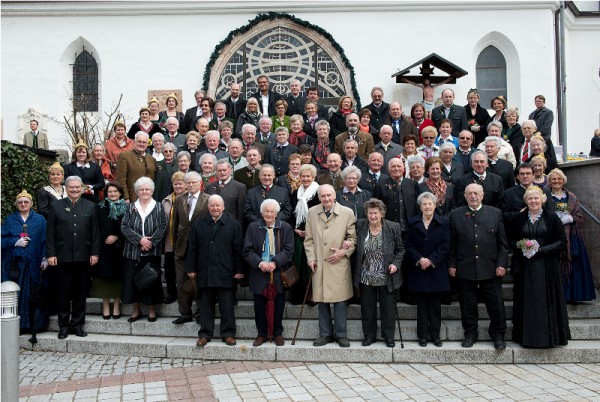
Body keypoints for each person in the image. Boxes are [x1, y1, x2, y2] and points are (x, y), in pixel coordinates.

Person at [508, 185, 569, 348]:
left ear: (542, 199)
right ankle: (526, 337)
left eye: (536, 198)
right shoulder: (519, 218)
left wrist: (541, 250)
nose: (533, 201)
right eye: (530, 198)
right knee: (526, 300)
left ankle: (548, 338)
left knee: (545, 301)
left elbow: (562, 242)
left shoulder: (552, 218)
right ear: (526, 201)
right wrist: (522, 244)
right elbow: (511, 240)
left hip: (546, 266)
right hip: (525, 266)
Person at [448, 183, 508, 350]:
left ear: (482, 195)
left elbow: (503, 244)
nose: (473, 196)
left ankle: (498, 334)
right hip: (464, 267)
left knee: (496, 304)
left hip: (490, 268)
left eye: (476, 193)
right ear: (465, 196)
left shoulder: (495, 213)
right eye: (469, 193)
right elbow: (451, 243)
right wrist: (452, 264)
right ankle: (470, 333)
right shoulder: (455, 214)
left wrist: (502, 263)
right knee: (467, 304)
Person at [186, 195, 244, 347]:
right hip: (205, 271)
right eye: (212, 206)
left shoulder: (233, 224)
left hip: (226, 271)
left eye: (218, 205)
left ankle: (228, 334)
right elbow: (192, 248)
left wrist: (239, 270)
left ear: (223, 207)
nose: (215, 208)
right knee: (205, 306)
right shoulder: (199, 224)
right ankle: (205, 334)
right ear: (208, 207)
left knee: (227, 306)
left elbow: (238, 249)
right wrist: (191, 268)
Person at [47, 176, 101, 339]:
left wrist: (94, 252)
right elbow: (50, 233)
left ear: (82, 188)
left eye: (78, 187)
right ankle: (63, 326)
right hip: (62, 257)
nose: (75, 190)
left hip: (83, 257)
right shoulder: (56, 206)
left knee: (80, 292)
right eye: (72, 187)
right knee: (63, 292)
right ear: (66, 188)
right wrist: (51, 254)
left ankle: (77, 325)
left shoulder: (91, 206)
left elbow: (95, 233)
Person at [304, 184, 357, 348]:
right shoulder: (312, 212)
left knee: (340, 301)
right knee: (322, 300)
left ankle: (341, 334)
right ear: (319, 197)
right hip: (320, 262)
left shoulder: (347, 212)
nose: (326, 199)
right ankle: (325, 334)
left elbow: (353, 239)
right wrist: (311, 259)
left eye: (329, 195)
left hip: (338, 263)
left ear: (335, 196)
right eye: (323, 196)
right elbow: (309, 240)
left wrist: (343, 252)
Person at [354, 198, 404, 348]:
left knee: (388, 308)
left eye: (376, 213)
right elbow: (353, 241)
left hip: (386, 274)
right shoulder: (360, 225)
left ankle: (388, 336)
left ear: (382, 213)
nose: (373, 216)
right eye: (370, 213)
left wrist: (395, 264)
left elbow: (400, 249)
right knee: (367, 307)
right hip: (366, 274)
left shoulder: (392, 227)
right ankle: (369, 336)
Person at [243, 199, 294, 346]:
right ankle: (262, 334)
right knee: (259, 305)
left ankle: (277, 333)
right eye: (266, 211)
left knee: (278, 304)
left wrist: (275, 262)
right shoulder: (253, 227)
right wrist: (260, 263)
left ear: (277, 213)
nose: (269, 214)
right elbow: (247, 250)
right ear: (261, 212)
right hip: (259, 272)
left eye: (272, 211)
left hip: (278, 272)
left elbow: (289, 250)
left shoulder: (285, 227)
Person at [404, 192, 451, 347]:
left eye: (430, 203)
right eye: (424, 204)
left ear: (435, 205)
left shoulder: (443, 222)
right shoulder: (412, 222)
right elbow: (408, 245)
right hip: (419, 269)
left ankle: (435, 336)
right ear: (420, 206)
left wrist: (431, 260)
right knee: (421, 305)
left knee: (435, 306)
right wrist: (419, 259)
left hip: (436, 269)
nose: (427, 206)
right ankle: (422, 336)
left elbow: (445, 245)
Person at [120, 177, 167, 323]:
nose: (144, 192)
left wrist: (150, 242)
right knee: (133, 281)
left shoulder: (159, 206)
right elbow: (124, 226)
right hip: (133, 251)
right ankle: (136, 310)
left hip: (151, 251)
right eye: (141, 189)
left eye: (147, 189)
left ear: (152, 191)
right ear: (137, 191)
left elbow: (163, 226)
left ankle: (152, 310)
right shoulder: (129, 207)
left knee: (151, 280)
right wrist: (140, 240)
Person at [1, 190, 48, 333]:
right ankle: (18, 325)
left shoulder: (40, 220)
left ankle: (36, 325)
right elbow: (2, 240)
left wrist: (45, 257)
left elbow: (46, 240)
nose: (23, 204)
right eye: (20, 202)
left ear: (31, 204)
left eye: (26, 202)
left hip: (35, 264)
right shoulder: (10, 220)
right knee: (18, 293)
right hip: (15, 266)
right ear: (16, 204)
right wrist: (16, 241)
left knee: (34, 294)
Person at [547, 168, 596, 303]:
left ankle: (575, 295)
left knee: (575, 266)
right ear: (549, 182)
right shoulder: (546, 197)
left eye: (559, 179)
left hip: (573, 237)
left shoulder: (572, 197)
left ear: (563, 180)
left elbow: (580, 216)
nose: (557, 181)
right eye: (554, 179)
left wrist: (569, 218)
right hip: (555, 236)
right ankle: (560, 295)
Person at [171, 171, 209, 324]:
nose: (191, 185)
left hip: (200, 248)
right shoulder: (180, 199)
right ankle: (185, 313)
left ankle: (200, 313)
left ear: (200, 183)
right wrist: (174, 244)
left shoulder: (207, 200)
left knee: (200, 282)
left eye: (194, 182)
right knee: (181, 282)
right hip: (182, 247)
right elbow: (175, 223)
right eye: (188, 183)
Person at [90, 181, 127, 320]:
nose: (112, 194)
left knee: (118, 277)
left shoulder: (127, 208)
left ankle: (116, 306)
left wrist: (117, 236)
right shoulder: (99, 207)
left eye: (115, 191)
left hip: (120, 248)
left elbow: (128, 227)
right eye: (110, 192)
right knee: (104, 278)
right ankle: (106, 306)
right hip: (103, 248)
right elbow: (95, 227)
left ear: (120, 193)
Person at [289, 164, 320, 305]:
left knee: (310, 265)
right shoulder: (295, 193)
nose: (305, 178)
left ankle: (311, 296)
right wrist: (294, 229)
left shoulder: (319, 192)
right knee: (297, 264)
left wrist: (310, 231)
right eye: (303, 176)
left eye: (308, 176)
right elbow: (290, 214)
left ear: (313, 177)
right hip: (298, 234)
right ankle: (297, 296)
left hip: (314, 234)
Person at [161, 171, 187, 305]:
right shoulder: (166, 201)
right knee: (169, 270)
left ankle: (187, 293)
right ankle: (171, 293)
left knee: (185, 271)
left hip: (185, 242)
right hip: (169, 242)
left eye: (181, 183)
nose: (178, 186)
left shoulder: (190, 199)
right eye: (175, 184)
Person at [373, 157, 420, 231]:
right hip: (388, 227)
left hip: (410, 227)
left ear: (403, 168)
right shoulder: (381, 185)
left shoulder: (412, 184)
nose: (396, 168)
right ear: (388, 169)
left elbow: (418, 206)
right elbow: (376, 206)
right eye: (393, 166)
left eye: (399, 166)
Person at [115, 132, 157, 203]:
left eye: (144, 142)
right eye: (139, 141)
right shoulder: (124, 156)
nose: (142, 144)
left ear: (148, 144)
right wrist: (125, 197)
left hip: (149, 199)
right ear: (134, 142)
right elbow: (120, 180)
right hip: (132, 198)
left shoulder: (152, 159)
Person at [206, 159, 247, 225]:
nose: (222, 173)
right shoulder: (209, 186)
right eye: (219, 170)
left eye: (224, 170)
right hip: (212, 225)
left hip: (231, 225)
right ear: (216, 172)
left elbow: (241, 212)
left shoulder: (240, 187)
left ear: (230, 170)